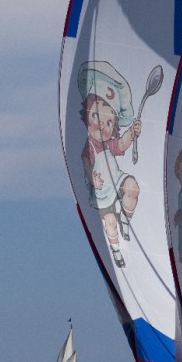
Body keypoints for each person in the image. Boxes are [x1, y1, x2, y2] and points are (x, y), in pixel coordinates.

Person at [78, 60, 142, 269]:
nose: (101, 126)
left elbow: (121, 144)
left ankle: (126, 218)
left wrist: (131, 133)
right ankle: (116, 250)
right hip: (103, 192)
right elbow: (85, 161)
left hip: (117, 180)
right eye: (96, 116)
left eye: (108, 123)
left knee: (132, 187)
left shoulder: (108, 144)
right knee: (109, 223)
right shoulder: (90, 146)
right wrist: (91, 177)